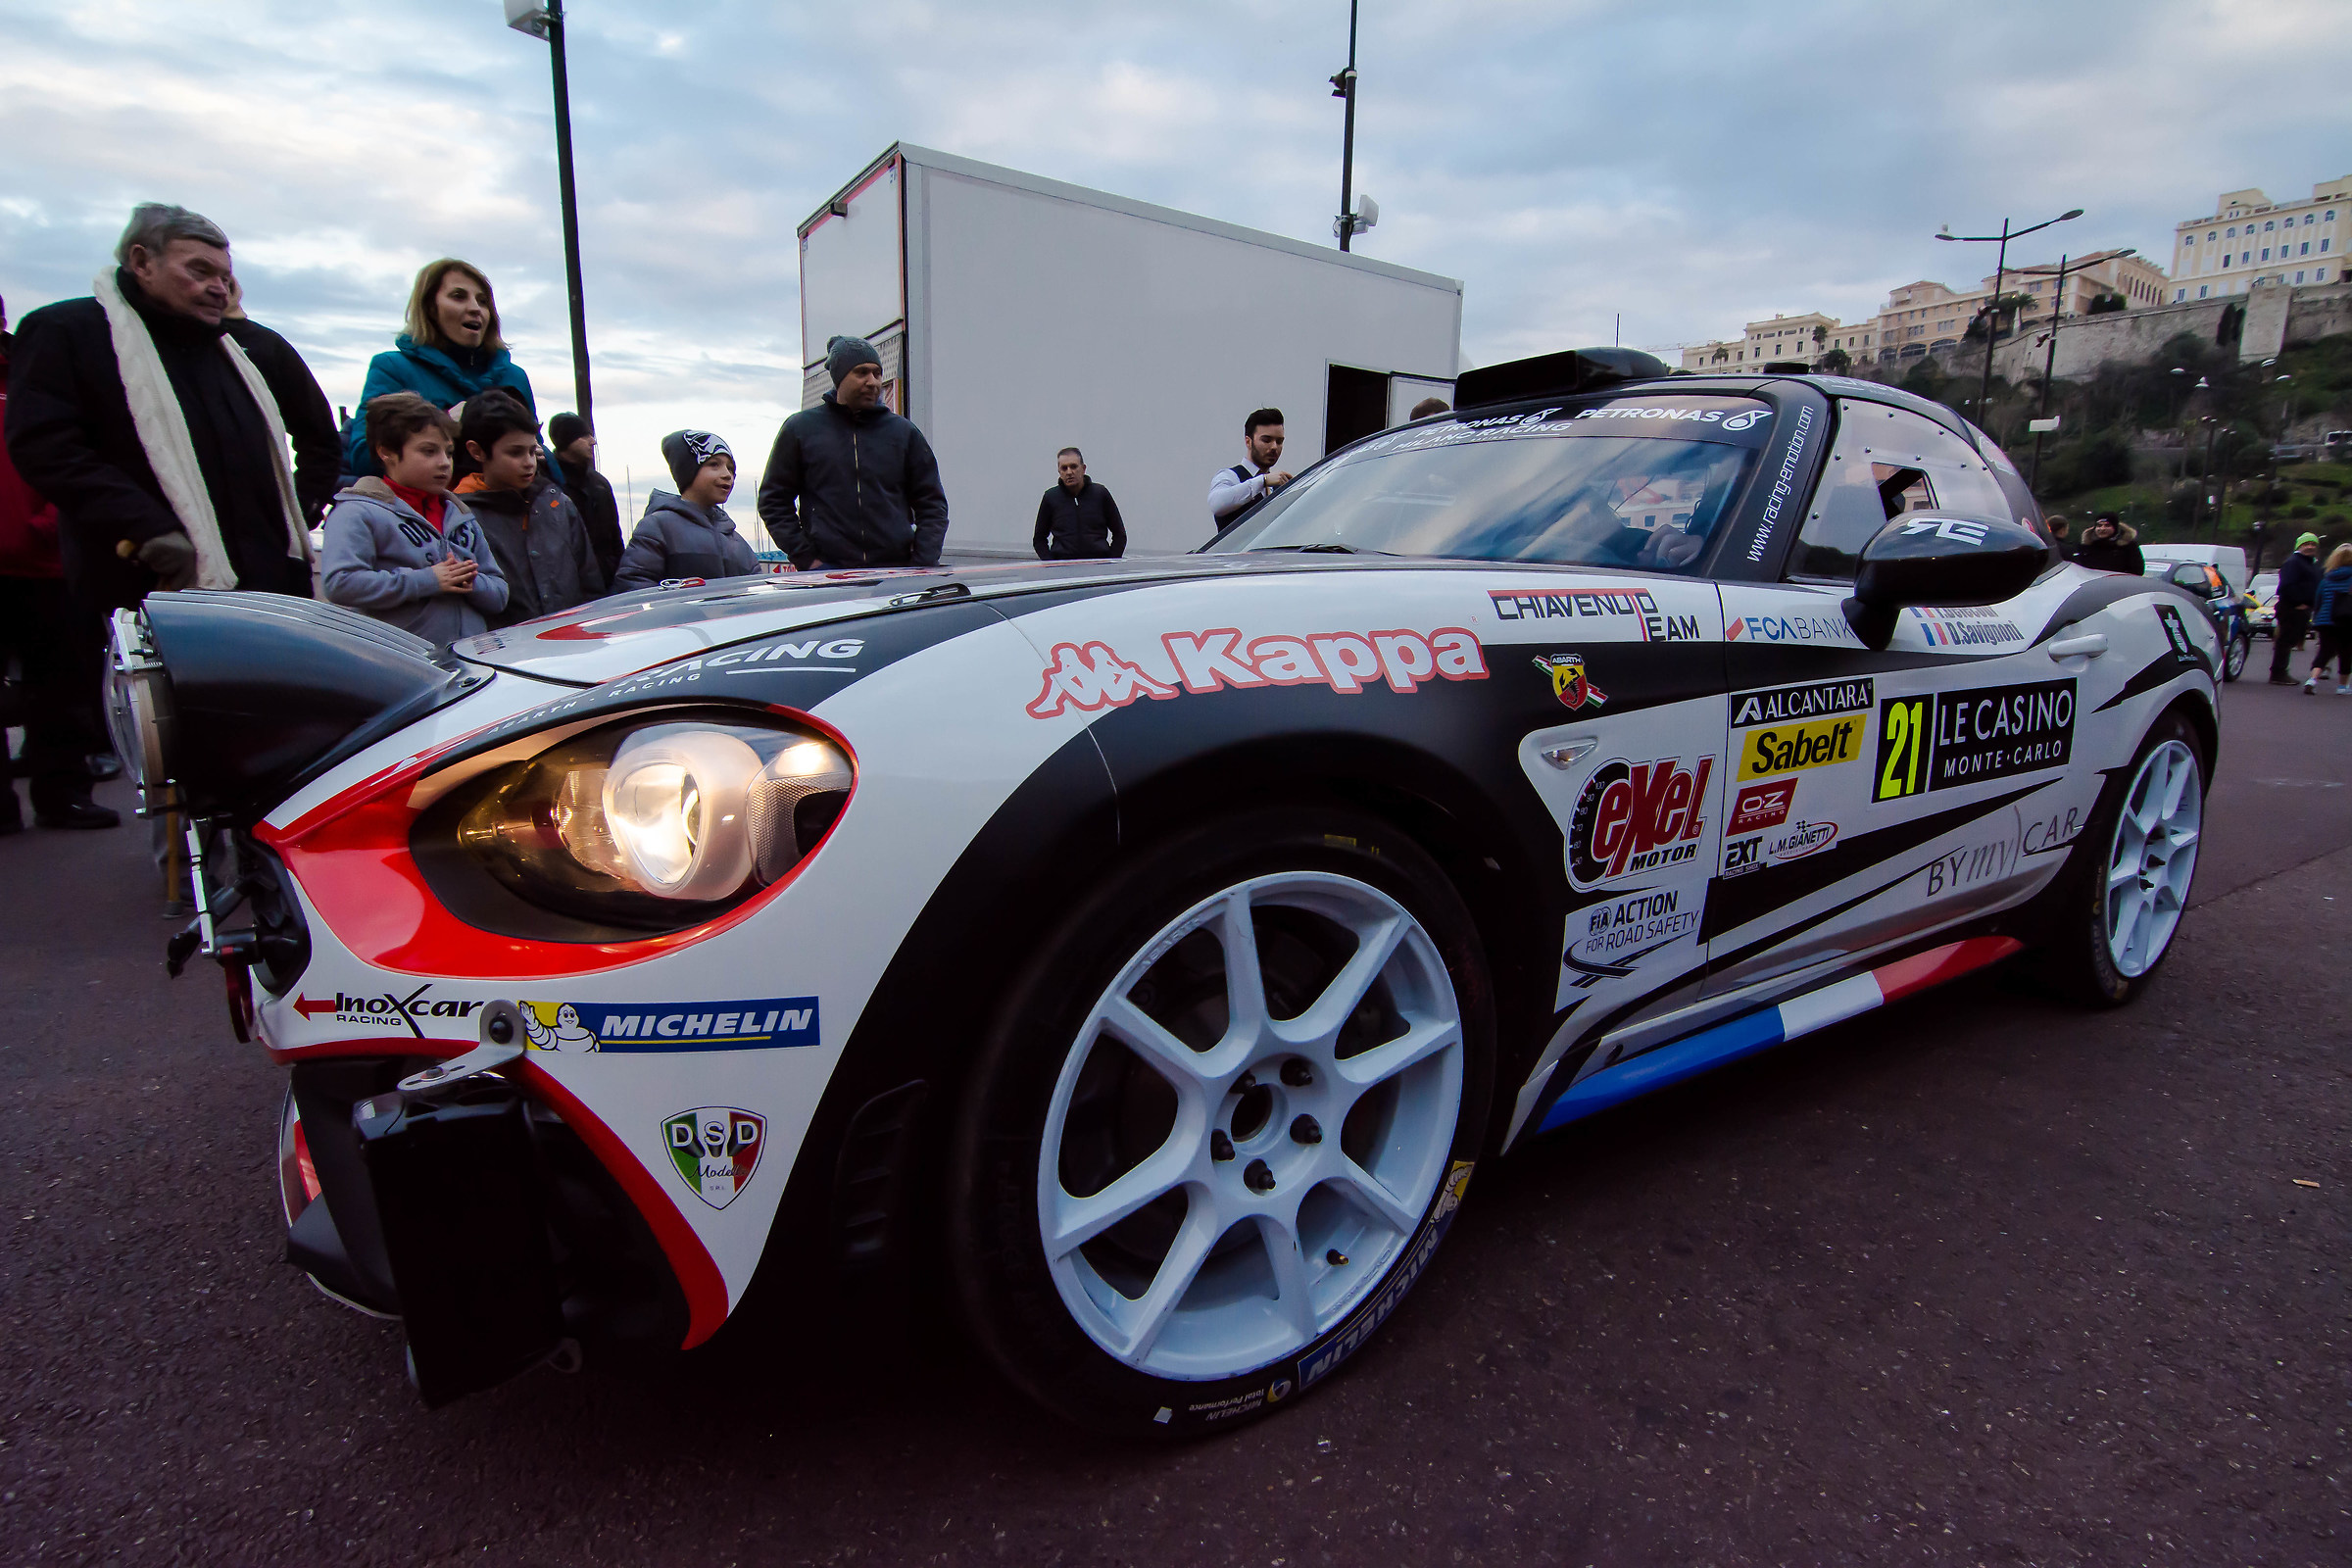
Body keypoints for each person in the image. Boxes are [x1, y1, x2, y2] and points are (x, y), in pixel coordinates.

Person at [6, 203, 326, 611]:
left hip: (265, 586)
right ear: (142, 262)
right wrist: (146, 528)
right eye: (200, 271)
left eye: (225, 277)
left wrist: (299, 510)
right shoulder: (65, 332)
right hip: (141, 583)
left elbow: (317, 443)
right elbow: (47, 448)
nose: (219, 288)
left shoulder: (237, 353)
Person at [0, 296, 114, 830]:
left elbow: (66, 448)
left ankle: (63, 792)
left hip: (47, 562)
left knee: (62, 687)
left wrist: (50, 524)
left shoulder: (39, 366)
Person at [320, 392, 507, 652]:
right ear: (386, 452)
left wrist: (470, 581)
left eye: (449, 452)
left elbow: (500, 594)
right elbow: (340, 583)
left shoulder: (460, 514)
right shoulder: (357, 512)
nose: (444, 462)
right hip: (401, 665)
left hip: (473, 661)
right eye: (428, 451)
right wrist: (428, 580)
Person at [759, 336, 950, 570]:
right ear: (839, 377)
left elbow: (932, 503)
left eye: (877, 373)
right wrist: (807, 559)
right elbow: (773, 501)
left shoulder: (903, 433)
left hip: (896, 576)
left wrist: (922, 562)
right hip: (828, 579)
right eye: (861, 373)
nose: (873, 382)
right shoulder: (800, 430)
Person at [344, 259, 534, 478]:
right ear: (430, 308)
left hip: (513, 509)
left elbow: (539, 453)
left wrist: (540, 455)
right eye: (458, 296)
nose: (475, 308)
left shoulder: (514, 376)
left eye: (482, 301)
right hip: (430, 510)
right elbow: (363, 459)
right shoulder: (393, 368)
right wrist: (444, 424)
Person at [455, 391, 605, 627]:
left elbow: (590, 580)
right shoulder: (461, 516)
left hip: (572, 642)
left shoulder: (557, 504)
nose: (529, 462)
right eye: (515, 453)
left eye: (532, 451)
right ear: (477, 451)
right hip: (505, 652)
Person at [613, 430, 759, 589]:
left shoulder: (736, 540)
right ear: (687, 470)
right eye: (714, 465)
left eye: (730, 468)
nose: (727, 475)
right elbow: (633, 585)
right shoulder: (658, 527)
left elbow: (757, 590)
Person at [547, 411, 622, 583]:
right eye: (585, 436)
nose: (593, 441)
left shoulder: (599, 484)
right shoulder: (547, 485)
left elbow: (615, 537)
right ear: (567, 440)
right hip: (568, 583)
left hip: (607, 582)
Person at [1032, 447, 1127, 561]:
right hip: (1063, 569)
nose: (1069, 472)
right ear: (1059, 472)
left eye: (1073, 466)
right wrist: (1050, 563)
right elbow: (1039, 538)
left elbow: (1119, 534)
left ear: (1083, 468)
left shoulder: (1100, 494)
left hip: (1098, 567)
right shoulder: (1051, 497)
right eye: (1064, 468)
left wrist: (1111, 562)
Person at [1208, 408, 1292, 535]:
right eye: (1266, 440)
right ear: (1248, 441)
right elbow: (1216, 503)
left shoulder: (1277, 486)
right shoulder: (1230, 476)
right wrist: (1262, 481)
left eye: (1279, 441)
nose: (1274, 447)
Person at [2273, 531, 2323, 684]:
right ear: (2299, 546)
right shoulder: (2294, 562)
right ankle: (2278, 673)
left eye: (2313, 544)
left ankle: (2280, 672)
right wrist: (2297, 603)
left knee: (2291, 641)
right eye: (2306, 544)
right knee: (2285, 641)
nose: (2310, 547)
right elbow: (2286, 586)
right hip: (2291, 609)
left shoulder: (2310, 563)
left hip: (2303, 610)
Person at [2302, 543, 2352, 696]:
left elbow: (2318, 600)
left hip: (2325, 620)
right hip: (2347, 620)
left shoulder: (2327, 578)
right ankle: (2342, 687)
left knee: (2324, 651)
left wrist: (2317, 617)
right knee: (2346, 653)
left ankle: (2312, 680)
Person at [2070, 513, 2143, 575]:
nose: (2102, 529)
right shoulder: (2088, 547)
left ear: (2115, 528)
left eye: (2107, 525)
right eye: (2099, 525)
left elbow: (2137, 570)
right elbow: (2079, 569)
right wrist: (2085, 546)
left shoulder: (2127, 546)